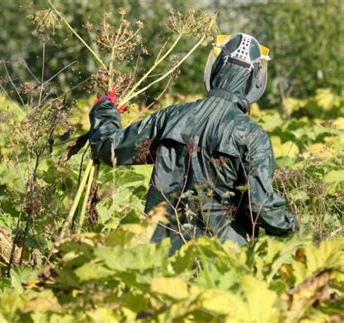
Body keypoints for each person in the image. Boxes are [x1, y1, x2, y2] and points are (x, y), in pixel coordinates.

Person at [88, 33, 299, 253]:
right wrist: (293, 226)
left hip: (165, 254)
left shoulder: (171, 116)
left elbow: (108, 147)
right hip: (223, 261)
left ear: (216, 68)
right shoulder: (254, 136)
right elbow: (261, 207)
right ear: (254, 79)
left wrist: (105, 107)